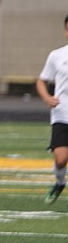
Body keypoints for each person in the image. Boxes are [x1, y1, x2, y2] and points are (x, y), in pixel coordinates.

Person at [36, 14, 68, 204]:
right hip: (62, 114)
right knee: (61, 159)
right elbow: (41, 81)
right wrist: (48, 98)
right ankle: (59, 182)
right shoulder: (57, 55)